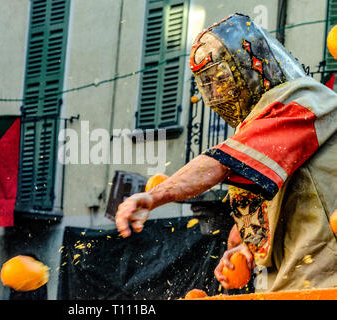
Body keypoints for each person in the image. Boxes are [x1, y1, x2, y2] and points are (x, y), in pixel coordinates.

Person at [114, 13, 336, 292]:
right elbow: (276, 207)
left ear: (252, 67)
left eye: (222, 79)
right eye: (209, 85)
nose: (218, 93)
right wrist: (245, 251)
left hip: (323, 284)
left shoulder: (303, 100)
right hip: (288, 286)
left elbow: (220, 163)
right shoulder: (262, 130)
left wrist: (153, 196)